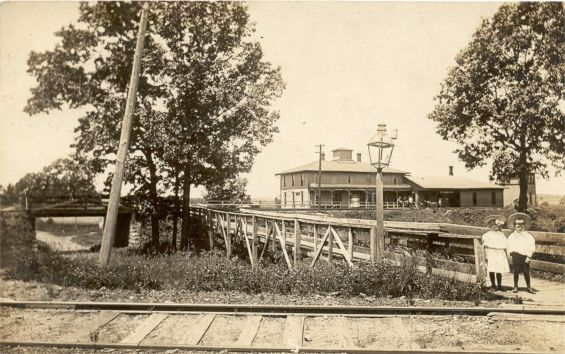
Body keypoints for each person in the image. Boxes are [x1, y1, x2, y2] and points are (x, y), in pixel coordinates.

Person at [507, 212, 536, 294]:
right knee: (515, 271)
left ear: (524, 226)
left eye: (521, 225)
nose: (519, 227)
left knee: (526, 271)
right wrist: (511, 253)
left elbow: (531, 246)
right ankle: (515, 286)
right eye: (518, 226)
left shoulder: (528, 236)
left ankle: (528, 286)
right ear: (515, 226)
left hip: (524, 256)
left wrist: (529, 256)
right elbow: (509, 245)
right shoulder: (512, 236)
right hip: (515, 255)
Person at [481, 215, 510, 291]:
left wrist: (503, 250)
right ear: (489, 226)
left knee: (498, 269)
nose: (494, 227)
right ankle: (493, 285)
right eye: (492, 225)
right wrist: (486, 255)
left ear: (499, 226)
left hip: (499, 253)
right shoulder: (486, 235)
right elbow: (484, 245)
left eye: (496, 225)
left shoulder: (501, 235)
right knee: (492, 269)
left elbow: (505, 244)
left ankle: (499, 285)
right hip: (491, 253)